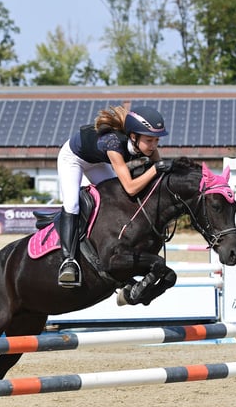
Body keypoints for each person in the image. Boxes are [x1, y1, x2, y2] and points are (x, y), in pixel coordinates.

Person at [56, 105, 172, 287]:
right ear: (134, 136)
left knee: (118, 199)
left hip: (97, 162)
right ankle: (68, 262)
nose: (153, 146)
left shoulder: (146, 145)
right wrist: (154, 169)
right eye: (149, 140)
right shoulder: (113, 144)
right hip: (73, 159)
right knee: (72, 205)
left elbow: (162, 168)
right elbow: (131, 187)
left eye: (157, 140)